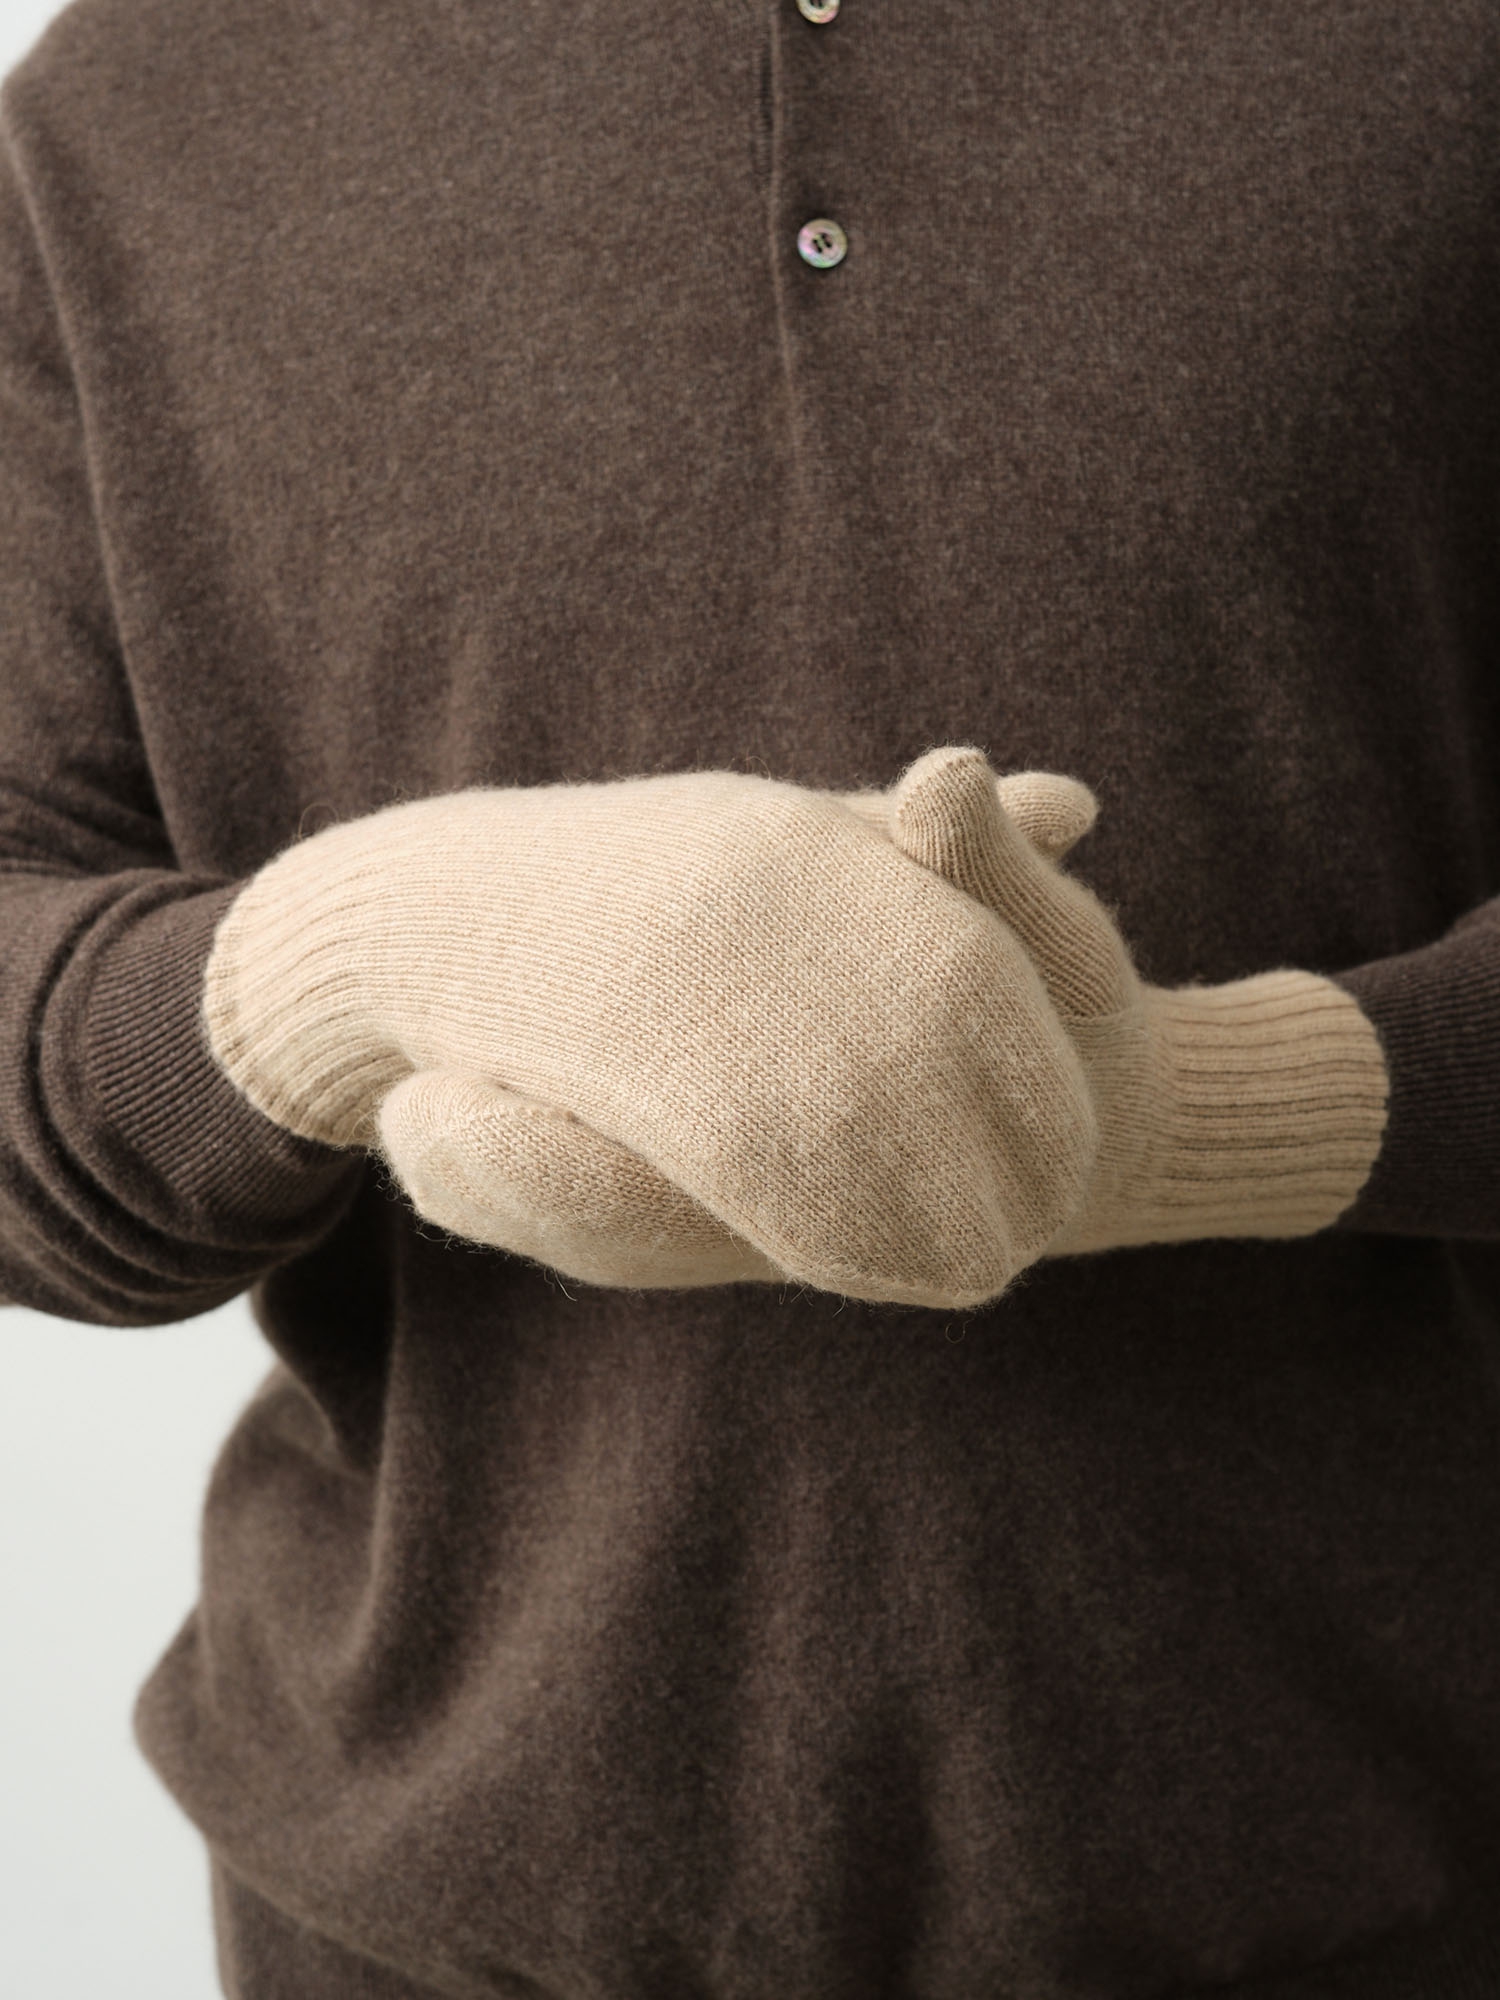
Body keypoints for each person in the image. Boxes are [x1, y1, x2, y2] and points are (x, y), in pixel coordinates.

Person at [2, 0, 1498, 1994]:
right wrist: (345, 964)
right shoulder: (137, 107)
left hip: (1390, 1883)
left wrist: (1186, 1113)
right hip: (422, 1927)